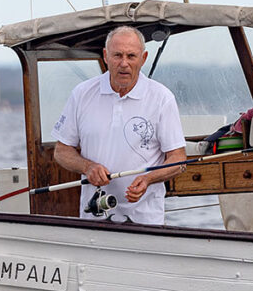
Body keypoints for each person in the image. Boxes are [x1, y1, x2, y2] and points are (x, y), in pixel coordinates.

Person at [52, 25, 187, 224]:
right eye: (117, 55)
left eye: (131, 56)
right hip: (93, 218)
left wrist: (149, 178)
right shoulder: (82, 93)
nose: (124, 63)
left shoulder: (162, 98)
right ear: (106, 56)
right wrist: (88, 167)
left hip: (146, 220)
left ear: (143, 58)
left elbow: (178, 160)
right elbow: (61, 151)